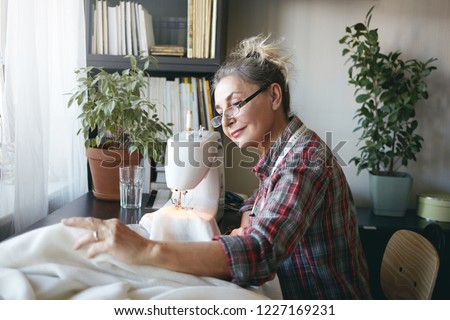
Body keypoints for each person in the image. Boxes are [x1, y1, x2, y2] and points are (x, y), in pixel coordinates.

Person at [63, 34, 372, 299]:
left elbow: (260, 252)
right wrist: (248, 217)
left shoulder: (304, 160)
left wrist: (146, 249)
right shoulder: (284, 151)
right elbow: (266, 197)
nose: (226, 121)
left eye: (235, 104)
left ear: (274, 95)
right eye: (220, 112)